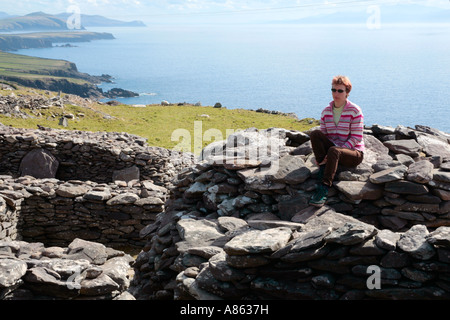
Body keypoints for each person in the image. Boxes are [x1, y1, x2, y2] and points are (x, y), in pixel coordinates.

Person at [309, 75, 365, 207]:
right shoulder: (326, 112)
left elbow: (356, 137)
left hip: (353, 152)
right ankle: (324, 165)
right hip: (334, 149)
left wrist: (338, 150)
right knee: (315, 134)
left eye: (340, 91)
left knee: (334, 150)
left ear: (347, 93)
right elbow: (325, 135)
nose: (336, 93)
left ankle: (324, 188)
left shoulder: (355, 110)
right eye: (333, 90)